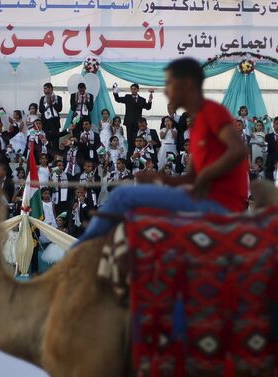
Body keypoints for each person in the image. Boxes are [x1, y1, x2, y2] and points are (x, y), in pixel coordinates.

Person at [78, 57, 249, 243]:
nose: (167, 91)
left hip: (220, 203)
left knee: (122, 195)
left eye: (170, 83)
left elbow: (238, 151)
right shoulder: (196, 122)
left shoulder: (212, 112)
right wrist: (160, 178)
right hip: (202, 197)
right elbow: (192, 178)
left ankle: (80, 252)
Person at [113, 83, 153, 155]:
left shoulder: (142, 100)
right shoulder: (127, 97)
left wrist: (150, 100)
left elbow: (148, 107)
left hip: (138, 123)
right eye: (132, 89)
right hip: (129, 122)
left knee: (137, 138)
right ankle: (130, 154)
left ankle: (138, 153)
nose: (133, 90)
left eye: (134, 89)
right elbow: (118, 99)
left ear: (138, 89)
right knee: (130, 139)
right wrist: (115, 92)